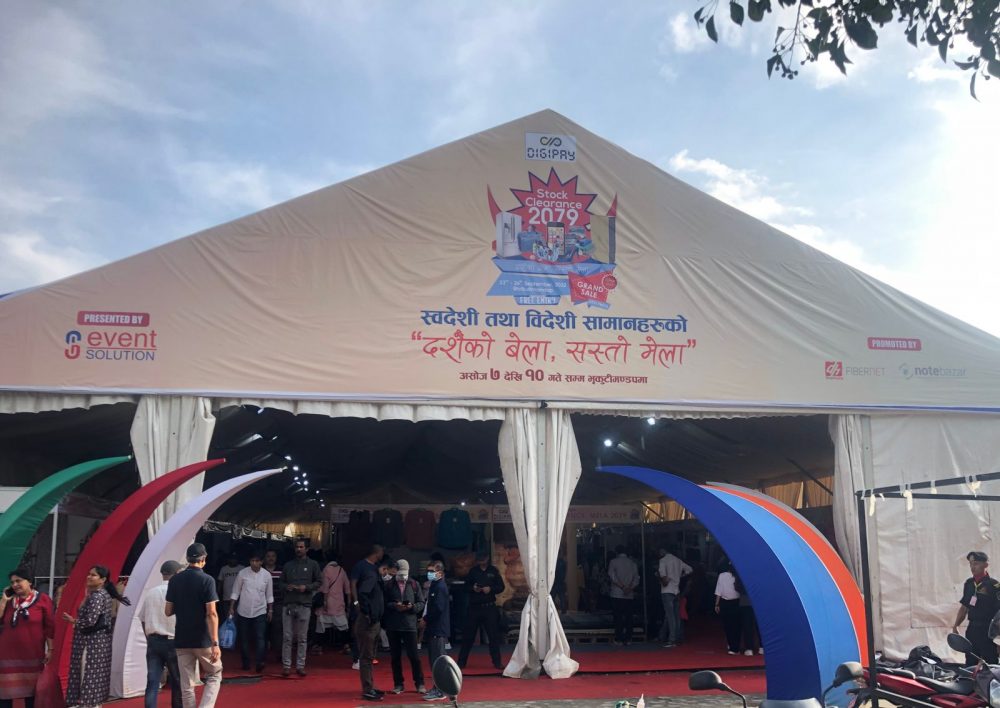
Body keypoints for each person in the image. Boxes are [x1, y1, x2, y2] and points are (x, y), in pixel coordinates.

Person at [64, 564, 130, 708]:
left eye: (93, 575)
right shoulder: (102, 594)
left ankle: (86, 703)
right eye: (89, 574)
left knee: (87, 673)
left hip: (91, 642)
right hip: (99, 641)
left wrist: (73, 621)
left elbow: (90, 621)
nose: (89, 577)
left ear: (103, 579)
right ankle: (92, 703)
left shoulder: (97, 596)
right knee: (96, 674)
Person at [166, 542, 222, 708]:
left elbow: (168, 611)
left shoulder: (174, 580)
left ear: (188, 559)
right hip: (203, 639)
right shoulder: (207, 580)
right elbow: (211, 613)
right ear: (203, 559)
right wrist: (215, 642)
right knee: (214, 674)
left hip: (182, 638)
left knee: (187, 684)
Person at [0, 567, 54, 708]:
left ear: (29, 581)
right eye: (12, 582)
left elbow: (49, 627)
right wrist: (3, 601)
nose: (15, 585)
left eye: (18, 581)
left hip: (32, 654)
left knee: (32, 696)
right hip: (7, 656)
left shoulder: (43, 599)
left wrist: (50, 649)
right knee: (4, 695)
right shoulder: (9, 601)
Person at [138, 560, 183, 708]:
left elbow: (142, 618)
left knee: (152, 681)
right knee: (177, 680)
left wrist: (149, 638)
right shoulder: (180, 592)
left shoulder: (151, 593)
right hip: (173, 641)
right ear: (177, 573)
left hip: (154, 641)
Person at [383, 559, 426, 694]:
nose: (402, 576)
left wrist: (412, 607)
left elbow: (421, 602)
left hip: (409, 625)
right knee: (395, 657)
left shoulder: (414, 584)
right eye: (400, 573)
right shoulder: (389, 585)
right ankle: (398, 684)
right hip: (393, 625)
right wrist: (395, 606)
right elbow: (384, 602)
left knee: (414, 656)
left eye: (404, 574)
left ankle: (419, 683)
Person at [280, 539, 321, 677]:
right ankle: (286, 666)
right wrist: (286, 587)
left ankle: (300, 666)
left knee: (302, 637)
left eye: (301, 547)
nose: (299, 549)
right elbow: (280, 583)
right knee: (287, 636)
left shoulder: (313, 565)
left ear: (307, 549)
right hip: (289, 604)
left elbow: (319, 582)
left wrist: (307, 587)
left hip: (304, 604)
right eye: (297, 547)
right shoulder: (288, 565)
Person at [457, 551, 505, 670]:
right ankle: (461, 662)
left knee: (493, 636)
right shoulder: (473, 571)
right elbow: (465, 587)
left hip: (489, 607)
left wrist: (491, 589)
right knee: (468, 636)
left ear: (487, 558)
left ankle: (497, 662)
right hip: (475, 607)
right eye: (479, 560)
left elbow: (501, 587)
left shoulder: (493, 571)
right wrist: (473, 588)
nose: (481, 561)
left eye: (483, 559)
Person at [953, 550, 1000, 664]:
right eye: (970, 564)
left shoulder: (994, 585)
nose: (972, 567)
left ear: (985, 565)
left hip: (988, 630)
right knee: (970, 661)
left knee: (990, 663)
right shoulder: (969, 584)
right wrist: (956, 625)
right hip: (972, 629)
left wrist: (998, 637)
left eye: (976, 563)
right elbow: (964, 607)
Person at [229, 551, 273, 673]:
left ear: (261, 562)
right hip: (243, 610)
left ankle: (260, 662)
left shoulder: (266, 575)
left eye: (257, 561)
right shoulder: (242, 573)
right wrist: (231, 607)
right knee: (244, 638)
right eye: (252, 561)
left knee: (260, 637)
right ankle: (246, 663)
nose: (254, 563)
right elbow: (236, 591)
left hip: (260, 610)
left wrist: (270, 610)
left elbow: (269, 595)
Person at [355, 553, 389, 702]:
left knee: (370, 657)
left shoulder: (376, 578)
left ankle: (370, 686)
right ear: (384, 568)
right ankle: (368, 689)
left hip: (374, 622)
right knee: (366, 657)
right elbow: (362, 593)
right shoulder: (372, 577)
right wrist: (368, 613)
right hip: (368, 623)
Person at [421, 560, 450, 702]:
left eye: (432, 571)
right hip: (434, 629)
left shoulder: (440, 587)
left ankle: (441, 690)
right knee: (434, 660)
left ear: (440, 572)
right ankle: (437, 687)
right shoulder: (435, 585)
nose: (429, 573)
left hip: (438, 629)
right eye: (428, 571)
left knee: (438, 661)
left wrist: (426, 619)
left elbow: (438, 609)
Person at [314, 553, 350, 654]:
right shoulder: (341, 570)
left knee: (321, 626)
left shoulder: (326, 570)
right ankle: (346, 645)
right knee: (342, 626)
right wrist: (349, 603)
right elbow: (347, 588)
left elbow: (325, 588)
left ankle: (319, 647)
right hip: (339, 603)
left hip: (328, 602)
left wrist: (325, 601)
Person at [656, 546, 691, 648]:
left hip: (667, 591)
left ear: (663, 551)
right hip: (676, 590)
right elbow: (689, 569)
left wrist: (660, 577)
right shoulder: (678, 560)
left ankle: (672, 640)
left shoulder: (663, 561)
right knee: (676, 616)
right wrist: (680, 576)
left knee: (670, 616)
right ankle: (678, 637)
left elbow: (664, 578)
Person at [607, 546, 639, 646]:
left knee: (618, 617)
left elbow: (612, 577)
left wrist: (622, 587)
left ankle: (619, 638)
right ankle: (628, 638)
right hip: (629, 594)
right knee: (629, 617)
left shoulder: (613, 562)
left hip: (617, 593)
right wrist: (629, 588)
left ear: (617, 552)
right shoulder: (633, 563)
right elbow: (636, 579)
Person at [714, 562, 742, 655]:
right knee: (736, 625)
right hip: (736, 602)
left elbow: (719, 591)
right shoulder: (739, 575)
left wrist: (717, 604)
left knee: (727, 625)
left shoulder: (722, 575)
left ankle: (731, 645)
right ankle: (735, 647)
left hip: (725, 602)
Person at [262, 549, 283, 659]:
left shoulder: (281, 570)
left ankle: (278, 654)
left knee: (278, 628)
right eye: (268, 556)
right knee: (263, 629)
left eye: (273, 556)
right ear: (264, 558)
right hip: (262, 604)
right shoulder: (260, 570)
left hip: (278, 603)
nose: (271, 558)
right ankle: (262, 655)